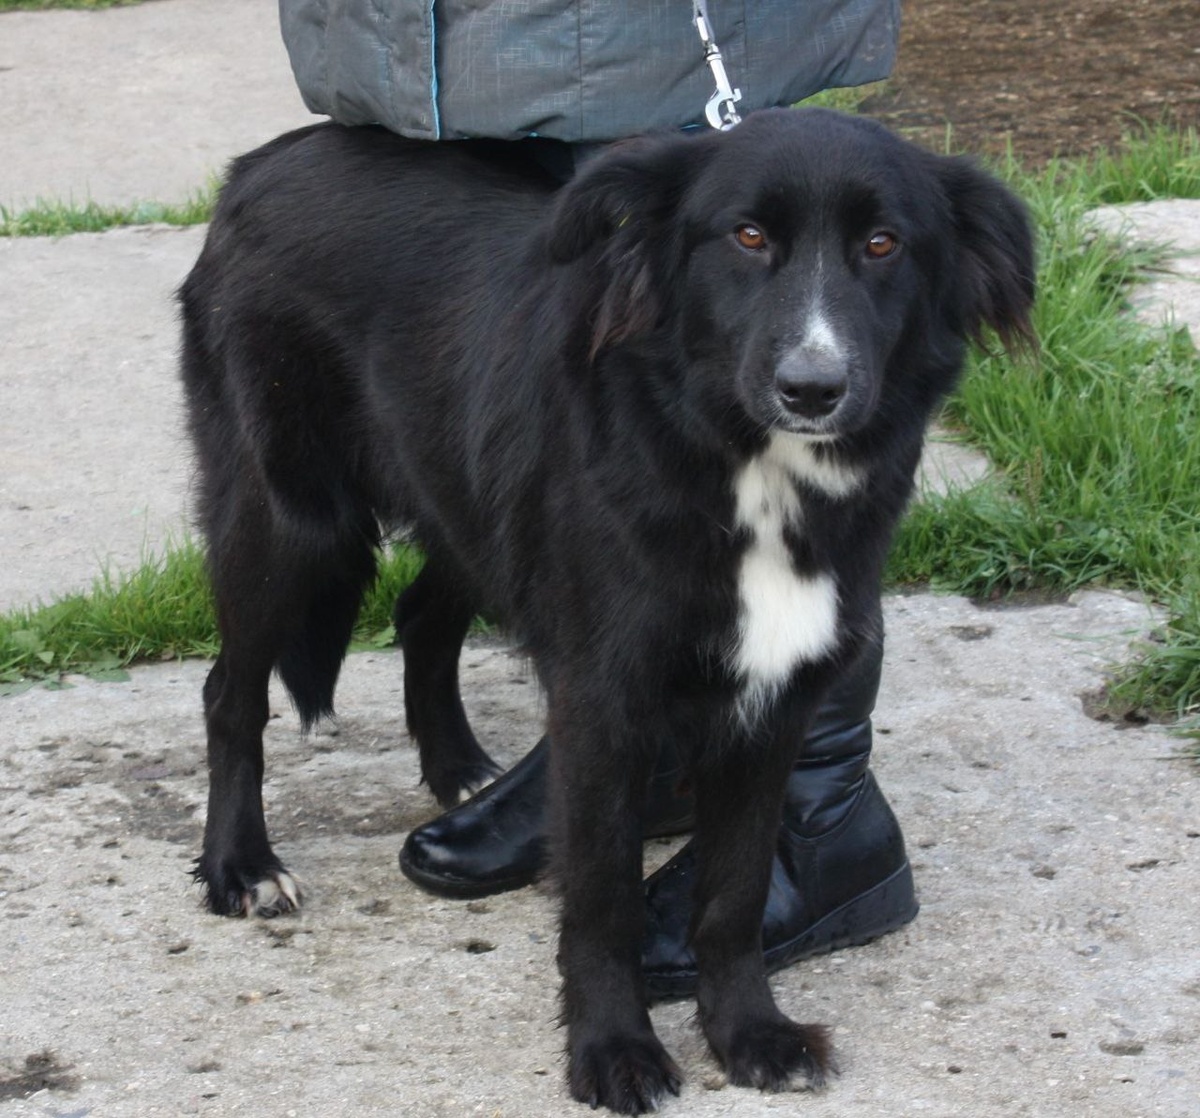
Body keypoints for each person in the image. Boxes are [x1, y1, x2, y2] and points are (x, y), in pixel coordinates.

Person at [279, 0, 915, 999]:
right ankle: (642, 751)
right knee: (560, 463)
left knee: (736, 353)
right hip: (439, 58)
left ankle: (820, 807)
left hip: (641, 37)